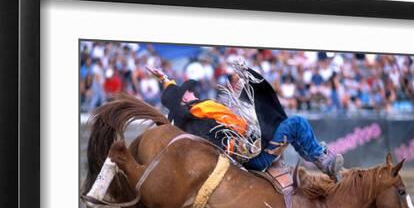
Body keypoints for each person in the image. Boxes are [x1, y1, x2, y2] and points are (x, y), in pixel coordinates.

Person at [147, 64, 344, 181]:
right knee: (296, 123)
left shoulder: (190, 114)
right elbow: (232, 132)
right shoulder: (200, 109)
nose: (190, 91)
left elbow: (176, 104)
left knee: (285, 123)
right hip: (252, 155)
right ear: (185, 99)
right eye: (186, 92)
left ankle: (315, 154)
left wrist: (165, 79)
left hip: (247, 151)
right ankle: (321, 160)